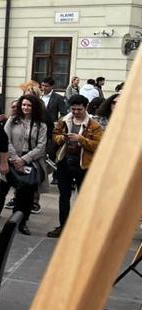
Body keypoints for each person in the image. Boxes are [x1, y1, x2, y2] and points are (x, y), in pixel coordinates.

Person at [48, 95, 104, 238]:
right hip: (65, 163)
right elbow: (55, 136)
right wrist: (62, 138)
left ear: (85, 108)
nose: (76, 112)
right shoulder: (64, 121)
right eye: (73, 109)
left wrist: (81, 139)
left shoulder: (94, 126)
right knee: (64, 197)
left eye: (79, 109)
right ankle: (63, 226)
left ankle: (82, 228)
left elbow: (98, 146)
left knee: (83, 198)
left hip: (83, 165)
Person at [0, 94, 47, 236]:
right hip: (10, 159)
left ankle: (21, 222)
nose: (25, 108)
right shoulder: (12, 120)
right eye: (23, 105)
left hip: (30, 161)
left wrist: (24, 160)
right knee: (1, 190)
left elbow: (41, 146)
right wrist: (16, 159)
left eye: (29, 105)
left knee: (26, 195)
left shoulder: (41, 125)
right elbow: (5, 140)